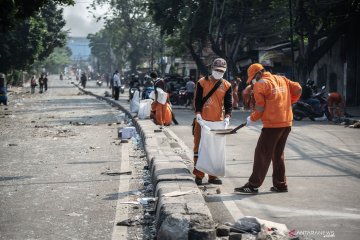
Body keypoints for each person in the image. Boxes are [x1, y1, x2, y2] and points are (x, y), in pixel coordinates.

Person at [234, 63, 302, 194]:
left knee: (262, 153)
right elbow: (298, 88)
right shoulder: (282, 79)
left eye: (253, 78)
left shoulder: (261, 84)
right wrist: (288, 102)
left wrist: (252, 119)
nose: (253, 82)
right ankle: (280, 184)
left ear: (259, 73)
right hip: (287, 122)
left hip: (272, 125)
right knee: (277, 154)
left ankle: (253, 185)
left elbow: (260, 108)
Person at [193, 58, 232, 185]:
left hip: (217, 122)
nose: (219, 72)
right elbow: (198, 100)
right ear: (212, 69)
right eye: (217, 70)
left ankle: (213, 176)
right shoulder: (202, 82)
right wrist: (198, 114)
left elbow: (228, 103)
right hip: (202, 121)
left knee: (215, 150)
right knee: (199, 148)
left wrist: (227, 117)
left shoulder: (227, 85)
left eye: (221, 71)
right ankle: (199, 175)